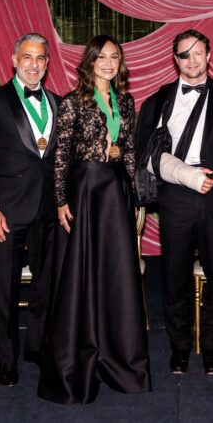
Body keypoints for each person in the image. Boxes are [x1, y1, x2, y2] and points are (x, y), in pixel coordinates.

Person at [38, 35, 151, 404]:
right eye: (101, 57)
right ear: (89, 62)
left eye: (114, 57)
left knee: (118, 272)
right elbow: (61, 155)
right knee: (82, 272)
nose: (108, 62)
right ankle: (79, 358)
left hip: (116, 190)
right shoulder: (74, 102)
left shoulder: (127, 101)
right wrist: (59, 200)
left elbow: (130, 150)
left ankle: (119, 357)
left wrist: (136, 197)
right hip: (84, 190)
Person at [135, 29, 213, 376]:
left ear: (209, 55)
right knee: (175, 278)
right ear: (175, 60)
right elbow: (145, 153)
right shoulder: (158, 100)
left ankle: (212, 346)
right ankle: (180, 346)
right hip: (175, 198)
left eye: (198, 52)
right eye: (184, 55)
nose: (192, 60)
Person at [0, 33, 60, 387]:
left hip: (49, 210)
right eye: (27, 57)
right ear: (13, 59)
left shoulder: (56, 101)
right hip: (5, 213)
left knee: (46, 285)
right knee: (4, 289)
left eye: (40, 58)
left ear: (47, 62)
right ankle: (6, 360)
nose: (34, 64)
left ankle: (36, 346)